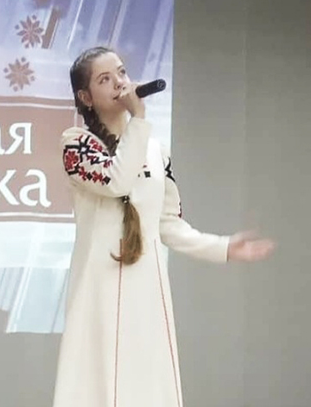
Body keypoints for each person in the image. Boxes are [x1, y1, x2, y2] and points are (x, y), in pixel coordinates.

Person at [53, 46, 274, 407]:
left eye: (121, 73)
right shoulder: (76, 144)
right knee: (96, 384)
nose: (119, 83)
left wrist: (223, 247)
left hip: (146, 287)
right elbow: (116, 181)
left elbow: (168, 223)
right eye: (105, 79)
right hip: (99, 288)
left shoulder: (156, 151)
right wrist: (138, 119)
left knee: (146, 384)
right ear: (85, 97)